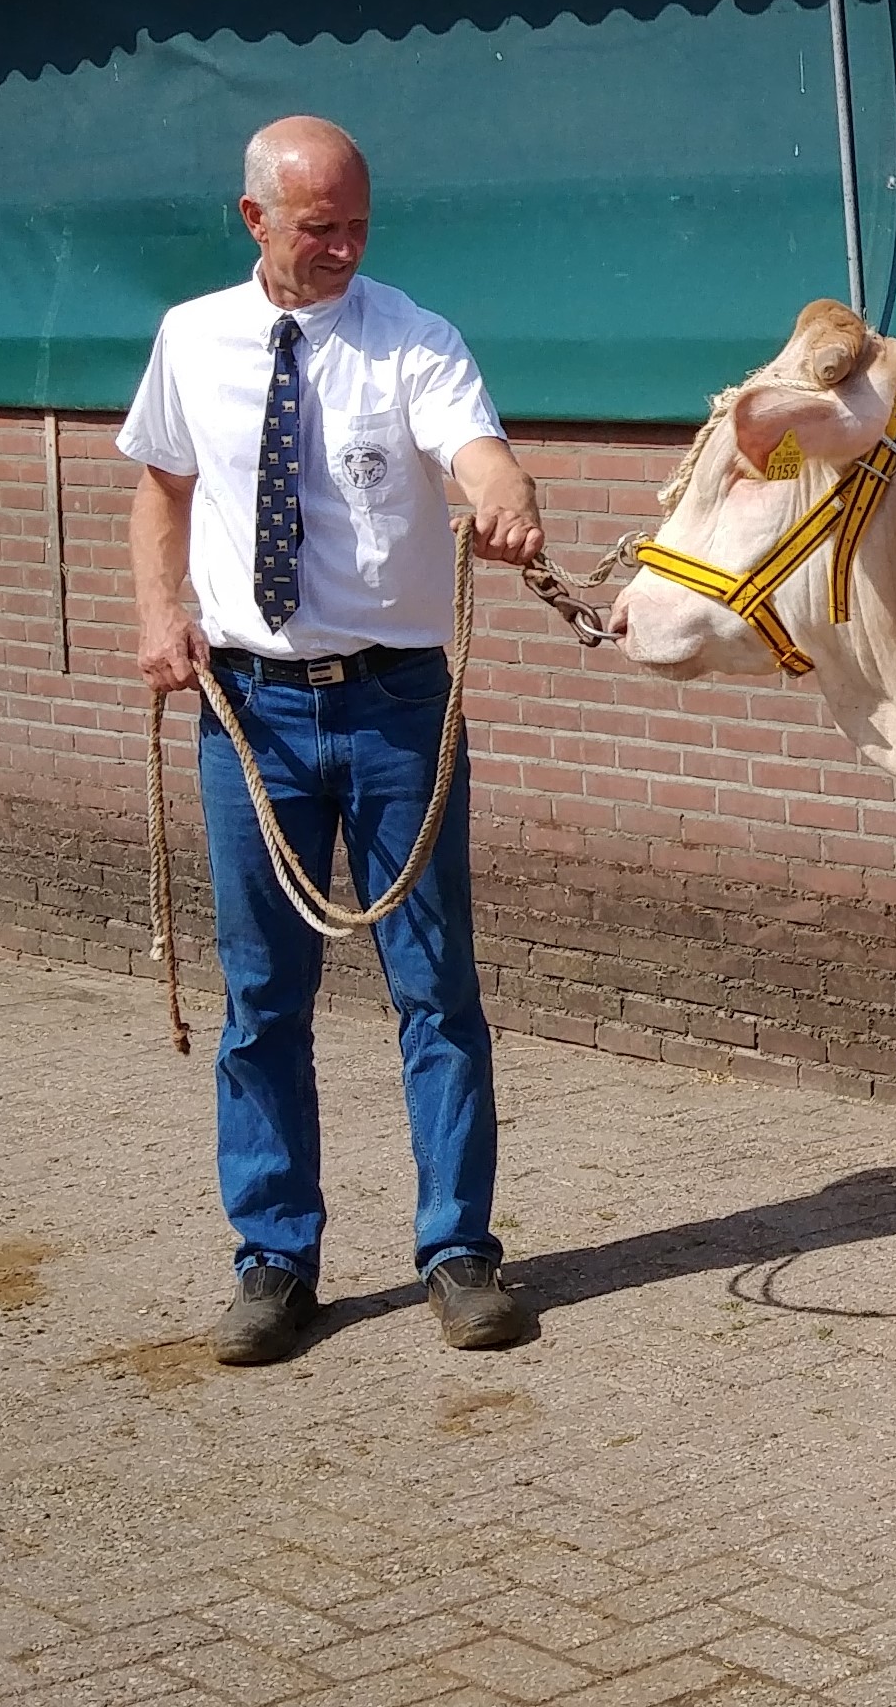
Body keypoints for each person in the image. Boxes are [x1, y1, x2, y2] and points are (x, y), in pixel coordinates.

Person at [119, 116, 546, 1365]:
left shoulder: (411, 338)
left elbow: (472, 446)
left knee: (436, 987)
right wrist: (158, 613)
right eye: (320, 227)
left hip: (395, 708)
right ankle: (273, 1260)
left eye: (359, 221)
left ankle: (460, 1251)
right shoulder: (191, 338)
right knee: (263, 1001)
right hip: (248, 710)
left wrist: (501, 492)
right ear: (252, 219)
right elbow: (161, 487)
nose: (347, 245)